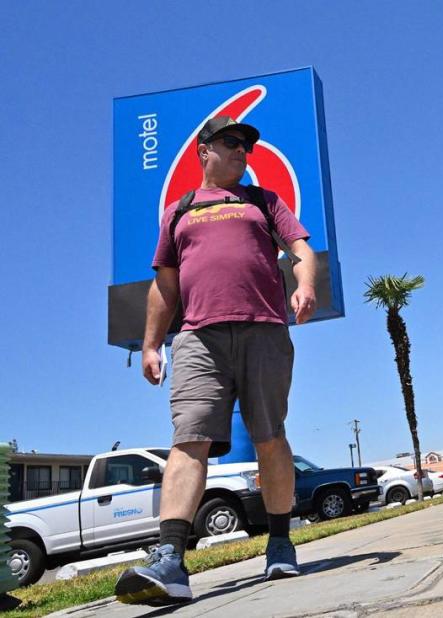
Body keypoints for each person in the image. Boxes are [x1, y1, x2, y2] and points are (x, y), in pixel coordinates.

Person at [114, 116, 318, 605]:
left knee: (270, 438)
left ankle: (280, 542)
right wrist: (149, 344)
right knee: (188, 441)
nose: (241, 152)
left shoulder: (263, 202)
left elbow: (300, 249)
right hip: (197, 340)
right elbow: (164, 287)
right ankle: (170, 561)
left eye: (246, 146)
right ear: (203, 151)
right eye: (231, 143)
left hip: (264, 331)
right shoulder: (179, 211)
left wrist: (306, 283)